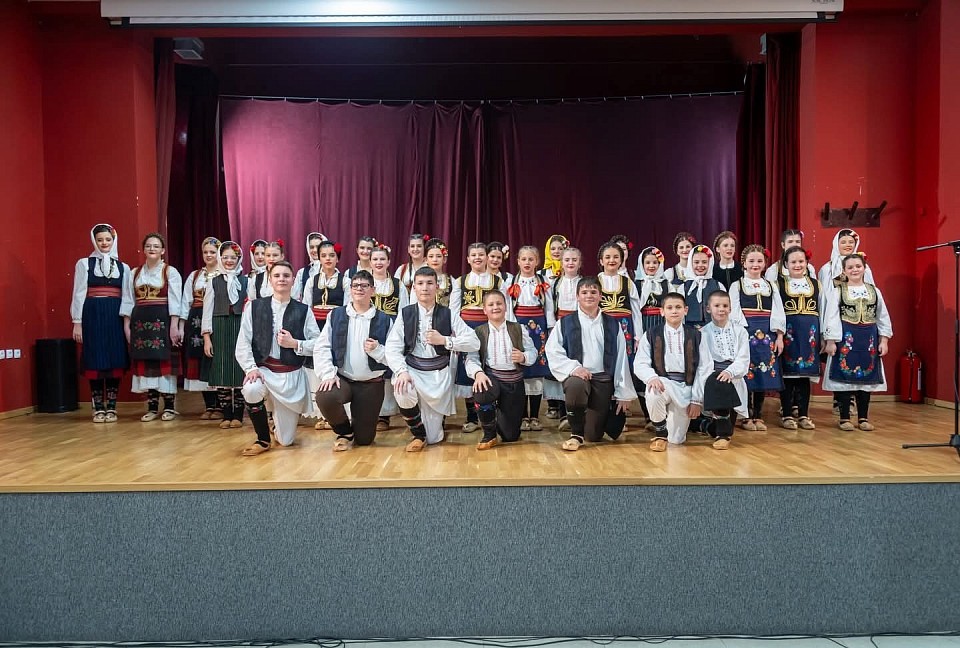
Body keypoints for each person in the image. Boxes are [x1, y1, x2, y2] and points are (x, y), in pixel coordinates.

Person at [385, 267, 481, 451]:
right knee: (401, 387)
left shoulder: (449, 314)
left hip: (438, 375)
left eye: (429, 283)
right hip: (412, 371)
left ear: (437, 286)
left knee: (434, 438)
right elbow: (392, 347)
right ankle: (418, 435)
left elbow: (474, 342)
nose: (425, 288)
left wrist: (445, 340)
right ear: (414, 287)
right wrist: (402, 371)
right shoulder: (406, 314)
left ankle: (429, 428)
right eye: (420, 283)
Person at [234, 261, 320, 456]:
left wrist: (295, 344)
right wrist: (250, 368)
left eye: (286, 276)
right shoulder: (254, 307)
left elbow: (318, 344)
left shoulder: (304, 310)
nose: (282, 279)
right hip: (264, 371)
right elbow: (243, 342)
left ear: (293, 280)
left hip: (290, 375)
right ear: (270, 280)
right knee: (251, 388)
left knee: (286, 441)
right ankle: (263, 438)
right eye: (277, 275)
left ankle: (276, 424)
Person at [546, 276, 637, 451]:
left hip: (602, 380)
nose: (589, 296)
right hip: (578, 377)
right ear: (577, 296)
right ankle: (576, 434)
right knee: (575, 386)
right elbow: (553, 351)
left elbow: (621, 358)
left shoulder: (612, 324)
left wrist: (623, 392)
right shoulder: (565, 323)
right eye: (584, 292)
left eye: (593, 292)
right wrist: (574, 368)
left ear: (600, 296)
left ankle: (588, 421)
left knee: (594, 436)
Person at [313, 270, 393, 450]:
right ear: (350, 289)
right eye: (355, 285)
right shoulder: (336, 315)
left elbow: (394, 356)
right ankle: (344, 432)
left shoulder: (384, 319)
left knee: (364, 440)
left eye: (364, 285)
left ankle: (358, 429)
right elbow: (322, 346)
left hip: (371, 384)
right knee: (325, 396)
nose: (359, 289)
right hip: (343, 380)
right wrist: (328, 374)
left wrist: (378, 351)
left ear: (373, 290)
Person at [822, 254, 893, 431]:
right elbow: (832, 317)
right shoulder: (838, 291)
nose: (855, 270)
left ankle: (863, 418)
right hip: (846, 339)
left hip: (868, 340)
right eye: (850, 267)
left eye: (858, 266)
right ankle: (844, 417)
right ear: (844, 271)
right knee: (845, 379)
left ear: (864, 268)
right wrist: (831, 341)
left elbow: (882, 316)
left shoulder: (874, 291)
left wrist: (884, 340)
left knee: (865, 380)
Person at [70, 223, 133, 423]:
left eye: (108, 239)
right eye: (100, 240)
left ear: (114, 240)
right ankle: (98, 407)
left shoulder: (123, 268)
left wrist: (126, 323)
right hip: (93, 315)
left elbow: (127, 297)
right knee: (95, 359)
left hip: (115, 315)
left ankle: (112, 407)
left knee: (115, 358)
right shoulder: (84, 264)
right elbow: (79, 293)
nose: (104, 243)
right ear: (94, 241)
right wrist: (77, 322)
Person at [777, 245, 840, 431]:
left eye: (801, 261)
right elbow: (777, 312)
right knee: (788, 375)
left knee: (805, 376)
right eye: (793, 262)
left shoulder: (816, 284)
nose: (797, 265)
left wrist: (824, 336)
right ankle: (787, 414)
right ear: (786, 264)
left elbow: (823, 310)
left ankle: (804, 414)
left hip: (809, 334)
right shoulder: (779, 284)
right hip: (789, 333)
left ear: (806, 263)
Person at [465, 290, 537, 449]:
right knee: (482, 389)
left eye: (499, 303)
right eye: (490, 304)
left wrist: (524, 357)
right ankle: (489, 434)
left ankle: (499, 418)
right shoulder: (479, 332)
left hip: (514, 383)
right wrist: (478, 373)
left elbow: (533, 352)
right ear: (484, 310)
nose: (495, 307)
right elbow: (471, 358)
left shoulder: (518, 328)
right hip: (492, 378)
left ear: (505, 306)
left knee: (510, 436)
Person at [633, 292, 705, 451]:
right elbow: (640, 362)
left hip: (686, 387)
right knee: (652, 392)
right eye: (670, 308)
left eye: (678, 307)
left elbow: (704, 368)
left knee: (676, 440)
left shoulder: (697, 335)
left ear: (685, 310)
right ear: (662, 311)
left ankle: (676, 430)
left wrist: (696, 400)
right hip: (663, 382)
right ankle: (660, 433)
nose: (674, 311)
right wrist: (651, 377)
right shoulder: (651, 334)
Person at [127, 233, 183, 421]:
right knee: (146, 363)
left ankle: (169, 407)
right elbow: (128, 301)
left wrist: (174, 325)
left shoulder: (170, 272)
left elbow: (175, 301)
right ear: (143, 249)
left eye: (156, 246)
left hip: (162, 323)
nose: (152, 249)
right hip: (140, 324)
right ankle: (151, 407)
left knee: (164, 363)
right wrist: (127, 325)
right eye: (149, 246)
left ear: (163, 250)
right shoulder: (134, 273)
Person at [729, 244, 785, 431]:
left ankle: (758, 415)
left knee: (763, 373)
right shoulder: (737, 285)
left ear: (764, 264)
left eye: (759, 261)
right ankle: (746, 415)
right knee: (747, 373)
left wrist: (779, 336)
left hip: (767, 334)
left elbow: (778, 311)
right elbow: (734, 311)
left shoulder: (771, 285)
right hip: (746, 332)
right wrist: (739, 334)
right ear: (744, 263)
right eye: (751, 261)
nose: (755, 264)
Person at [451, 242, 502, 432]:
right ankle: (472, 417)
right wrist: (458, 332)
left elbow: (504, 307)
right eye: (473, 255)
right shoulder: (460, 281)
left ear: (487, 257)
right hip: (467, 329)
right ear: (468, 259)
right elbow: (454, 310)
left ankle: (491, 414)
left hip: (490, 329)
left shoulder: (497, 281)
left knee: (490, 366)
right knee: (468, 371)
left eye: (481, 254)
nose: (477, 258)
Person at [503, 245, 554, 431]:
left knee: (537, 368)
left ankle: (535, 416)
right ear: (518, 261)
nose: (527, 262)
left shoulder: (543, 281)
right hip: (518, 325)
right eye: (523, 259)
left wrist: (550, 328)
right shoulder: (510, 282)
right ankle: (523, 415)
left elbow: (549, 306)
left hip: (538, 327)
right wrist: (511, 327)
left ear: (537, 262)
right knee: (521, 369)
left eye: (531, 259)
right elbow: (508, 306)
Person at [695, 290, 751, 450]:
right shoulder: (703, 333)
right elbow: (704, 363)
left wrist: (730, 372)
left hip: (734, 375)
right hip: (713, 377)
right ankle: (722, 435)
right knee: (718, 381)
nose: (721, 309)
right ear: (708, 309)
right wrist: (718, 375)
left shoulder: (740, 331)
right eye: (717, 306)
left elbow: (743, 358)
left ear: (730, 308)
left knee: (722, 424)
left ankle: (705, 426)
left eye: (725, 306)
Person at [202, 241, 248, 429]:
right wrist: (207, 338)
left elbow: (251, 309)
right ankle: (226, 415)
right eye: (225, 257)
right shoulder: (213, 281)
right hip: (220, 328)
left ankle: (238, 415)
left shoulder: (246, 281)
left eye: (233, 257)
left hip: (240, 328)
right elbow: (207, 310)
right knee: (221, 371)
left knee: (239, 371)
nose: (229, 261)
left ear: (239, 259)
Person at [302, 239, 347, 429]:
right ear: (318, 258)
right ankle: (321, 414)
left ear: (338, 258)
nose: (328, 259)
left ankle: (336, 414)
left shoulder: (345, 280)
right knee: (315, 367)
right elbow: (306, 307)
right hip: (315, 326)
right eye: (324, 255)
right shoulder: (312, 281)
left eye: (331, 255)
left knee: (334, 364)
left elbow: (347, 308)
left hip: (336, 326)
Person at [181, 236, 221, 419]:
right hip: (196, 320)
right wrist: (181, 325)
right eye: (205, 252)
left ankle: (220, 405)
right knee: (199, 360)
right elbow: (186, 302)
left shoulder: (223, 274)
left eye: (212, 252)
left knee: (215, 359)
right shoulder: (195, 275)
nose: (209, 255)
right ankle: (209, 405)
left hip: (216, 318)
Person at [369, 243, 409, 431]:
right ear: (370, 262)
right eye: (375, 259)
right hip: (367, 328)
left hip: (390, 330)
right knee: (369, 369)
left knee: (387, 369)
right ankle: (367, 410)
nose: (379, 262)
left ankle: (384, 414)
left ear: (388, 262)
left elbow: (404, 311)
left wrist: (399, 333)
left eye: (382, 259)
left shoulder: (397, 284)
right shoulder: (363, 282)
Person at [545, 246, 582, 426]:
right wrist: (552, 326)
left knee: (578, 362)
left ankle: (578, 410)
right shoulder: (555, 284)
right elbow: (550, 306)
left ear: (580, 263)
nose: (570, 263)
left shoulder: (584, 283)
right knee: (562, 364)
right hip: (561, 325)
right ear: (561, 262)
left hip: (580, 325)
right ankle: (563, 412)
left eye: (574, 260)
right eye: (567, 260)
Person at [681, 244, 724, 328]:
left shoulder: (718, 286)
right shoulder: (683, 287)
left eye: (704, 262)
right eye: (696, 262)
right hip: (689, 329)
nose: (700, 265)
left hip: (714, 328)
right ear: (690, 263)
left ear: (710, 263)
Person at [292, 232, 326, 302]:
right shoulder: (301, 273)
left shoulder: (332, 271)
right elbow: (295, 297)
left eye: (318, 247)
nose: (315, 250)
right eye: (311, 247)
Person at [424, 238, 453, 307]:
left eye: (439, 256)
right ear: (426, 260)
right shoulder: (419, 280)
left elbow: (454, 308)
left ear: (444, 259)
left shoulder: (452, 281)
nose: (435, 259)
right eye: (431, 256)